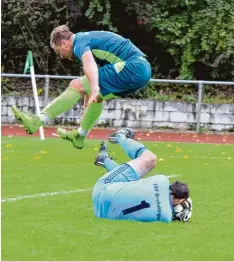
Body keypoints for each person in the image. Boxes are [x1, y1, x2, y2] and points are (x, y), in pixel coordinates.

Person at [11, 25, 151, 149]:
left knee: (75, 85)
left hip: (133, 67)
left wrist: (95, 87)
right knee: (95, 96)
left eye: (59, 51)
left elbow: (89, 64)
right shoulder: (88, 39)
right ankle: (80, 135)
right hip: (141, 71)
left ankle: (37, 121)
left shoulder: (79, 42)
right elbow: (92, 79)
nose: (61, 56)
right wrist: (93, 91)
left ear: (65, 44)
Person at [93, 128, 192, 222]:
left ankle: (120, 137)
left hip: (102, 189)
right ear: (180, 200)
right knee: (134, 186)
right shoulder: (166, 218)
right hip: (102, 214)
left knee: (150, 159)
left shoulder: (162, 180)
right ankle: (105, 160)